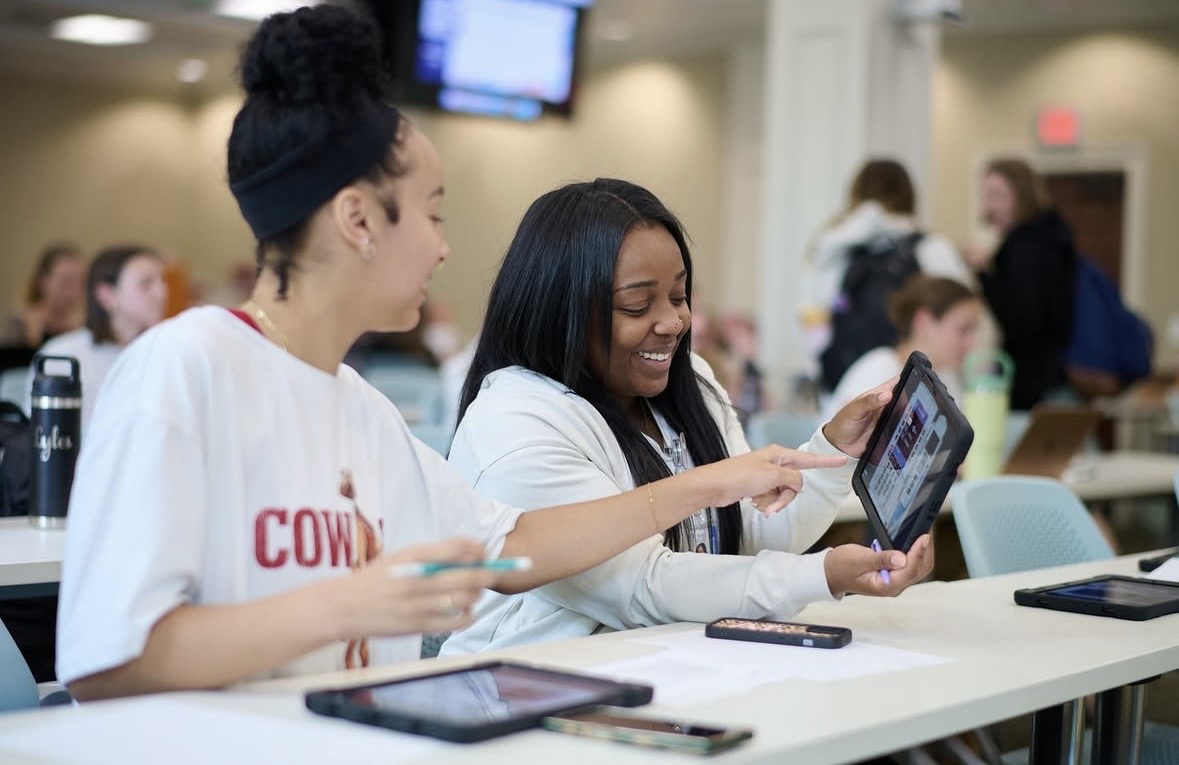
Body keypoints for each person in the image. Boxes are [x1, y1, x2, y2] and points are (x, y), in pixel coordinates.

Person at [56, 5, 841, 702]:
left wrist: (706, 482)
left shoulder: (360, 409)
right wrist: (347, 605)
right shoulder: (186, 367)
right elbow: (108, 660)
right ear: (358, 220)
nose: (443, 247)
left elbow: (520, 543)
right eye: (430, 214)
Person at [440, 178, 935, 656]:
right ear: (560, 310)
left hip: (676, 672)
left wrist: (833, 452)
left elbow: (750, 534)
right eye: (636, 305)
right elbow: (645, 590)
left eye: (679, 296)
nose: (673, 322)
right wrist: (821, 575)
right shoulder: (514, 424)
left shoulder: (688, 382)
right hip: (525, 695)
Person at [802, 159, 973, 371]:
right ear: (909, 196)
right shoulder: (931, 248)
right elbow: (963, 316)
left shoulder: (832, 246)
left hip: (843, 378)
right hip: (912, 381)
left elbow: (813, 320)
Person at [965, 158, 1077, 410]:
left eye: (998, 195)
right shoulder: (1050, 238)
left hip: (1033, 383)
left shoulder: (1026, 247)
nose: (989, 206)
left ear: (1022, 196)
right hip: (1049, 376)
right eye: (986, 195)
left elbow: (1023, 321)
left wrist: (985, 274)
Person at [28, 245, 168, 428]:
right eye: (146, 283)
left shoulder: (162, 353)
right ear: (107, 295)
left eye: (162, 282)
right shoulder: (62, 357)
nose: (162, 293)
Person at [822, 275, 983, 421]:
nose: (971, 343)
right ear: (924, 320)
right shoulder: (879, 369)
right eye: (963, 330)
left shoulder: (946, 378)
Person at [4, 244, 86, 348]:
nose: (74, 292)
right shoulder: (22, 323)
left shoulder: (86, 325)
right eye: (65, 283)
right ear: (42, 282)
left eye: (81, 283)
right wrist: (32, 338)